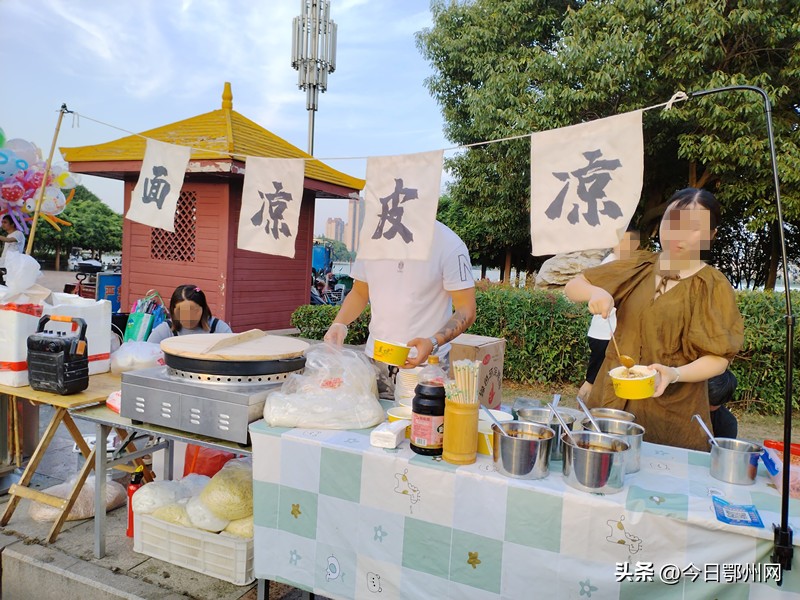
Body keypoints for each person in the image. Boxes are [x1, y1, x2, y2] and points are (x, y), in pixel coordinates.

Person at [564, 188, 744, 451]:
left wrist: (674, 373)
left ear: (710, 235)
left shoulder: (713, 285)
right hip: (612, 400)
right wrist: (596, 292)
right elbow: (574, 286)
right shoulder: (638, 265)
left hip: (671, 412)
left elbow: (718, 359)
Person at [323, 221, 477, 394]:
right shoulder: (373, 239)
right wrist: (339, 324)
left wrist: (433, 342)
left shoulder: (448, 243)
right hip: (376, 362)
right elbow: (360, 292)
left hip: (428, 367)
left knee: (422, 420)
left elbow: (466, 309)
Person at [578, 226, 641, 402]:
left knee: (613, 380)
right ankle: (583, 410)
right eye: (619, 242)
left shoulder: (633, 264)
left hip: (616, 334)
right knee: (592, 381)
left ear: (636, 245)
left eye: (627, 242)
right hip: (603, 333)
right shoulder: (610, 263)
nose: (621, 246)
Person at [147, 284, 232, 344]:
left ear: (203, 309)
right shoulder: (165, 331)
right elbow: (148, 355)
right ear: (173, 311)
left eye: (194, 311)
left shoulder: (219, 329)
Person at [708, 370, 738, 439]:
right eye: (706, 399)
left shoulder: (727, 423)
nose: (706, 406)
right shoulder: (685, 406)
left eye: (712, 404)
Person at [0, 214, 26, 285]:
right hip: (3, 265)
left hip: (11, 266)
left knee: (6, 287)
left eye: (5, 222)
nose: (2, 224)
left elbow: (8, 240)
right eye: (2, 222)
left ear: (12, 224)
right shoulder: (8, 235)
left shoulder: (19, 233)